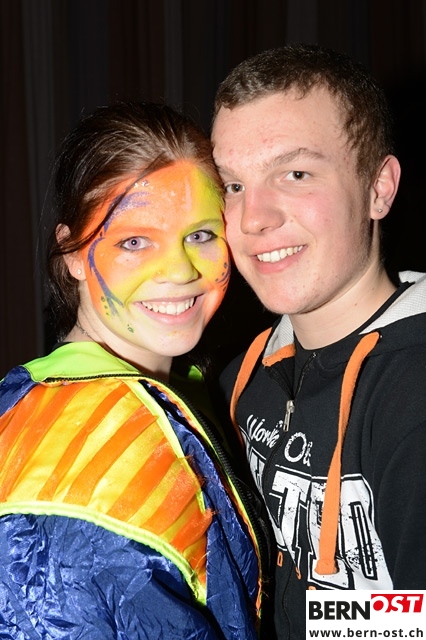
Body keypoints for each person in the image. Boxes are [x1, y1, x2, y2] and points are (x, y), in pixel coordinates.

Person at [0, 101, 271, 639]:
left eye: (200, 234)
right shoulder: (73, 466)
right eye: (133, 241)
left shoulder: (197, 389)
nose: (179, 270)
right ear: (72, 254)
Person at [211, 43, 426, 638]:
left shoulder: (413, 394)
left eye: (296, 174)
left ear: (379, 188)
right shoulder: (241, 381)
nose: (252, 218)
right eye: (232, 185)